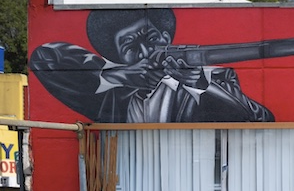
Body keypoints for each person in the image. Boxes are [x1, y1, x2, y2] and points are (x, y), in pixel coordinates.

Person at [30, 9, 276, 123]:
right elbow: (44, 57)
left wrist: (200, 85)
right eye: (129, 45)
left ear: (167, 38)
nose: (146, 52)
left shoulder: (218, 78)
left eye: (151, 38)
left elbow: (262, 120)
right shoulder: (111, 97)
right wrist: (120, 76)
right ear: (116, 56)